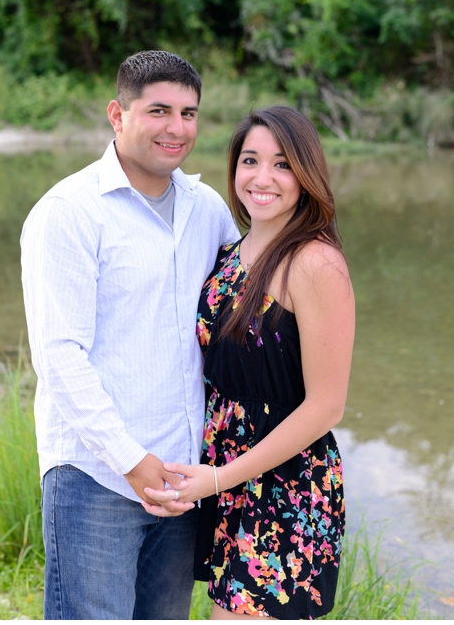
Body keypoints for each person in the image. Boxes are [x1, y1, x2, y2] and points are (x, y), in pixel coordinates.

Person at [21, 50, 239, 619]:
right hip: (96, 476)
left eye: (189, 113)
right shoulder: (68, 212)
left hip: (184, 475)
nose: (177, 128)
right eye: (159, 110)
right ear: (117, 115)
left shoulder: (207, 207)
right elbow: (59, 355)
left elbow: (244, 303)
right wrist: (131, 461)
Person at [144, 106, 354, 619]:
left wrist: (220, 477)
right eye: (250, 161)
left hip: (286, 486)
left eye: (282, 165)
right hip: (227, 480)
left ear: (306, 176)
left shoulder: (315, 262)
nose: (263, 178)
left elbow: (327, 407)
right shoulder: (231, 254)